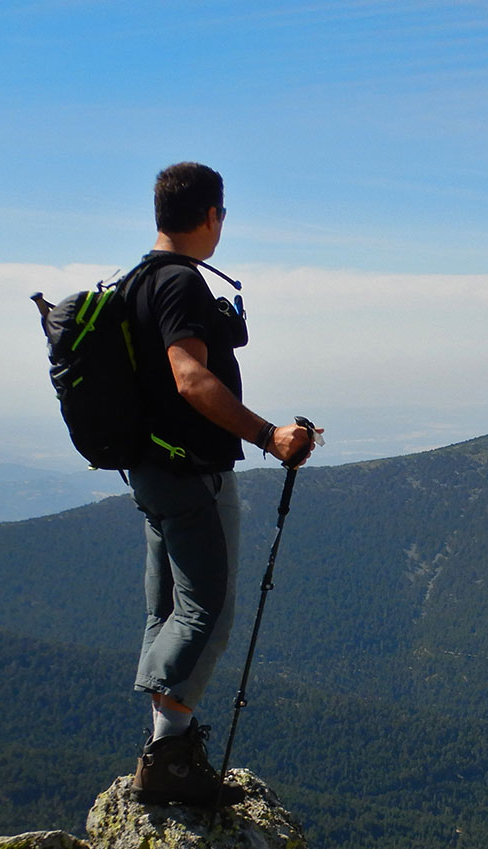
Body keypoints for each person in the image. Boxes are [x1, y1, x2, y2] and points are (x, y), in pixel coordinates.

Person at [125, 162, 318, 805]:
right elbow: (189, 376)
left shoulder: (134, 282)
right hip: (190, 470)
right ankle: (170, 756)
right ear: (211, 216)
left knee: (169, 608)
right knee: (208, 607)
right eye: (223, 215)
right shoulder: (180, 283)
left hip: (149, 468)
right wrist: (269, 435)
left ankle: (164, 747)